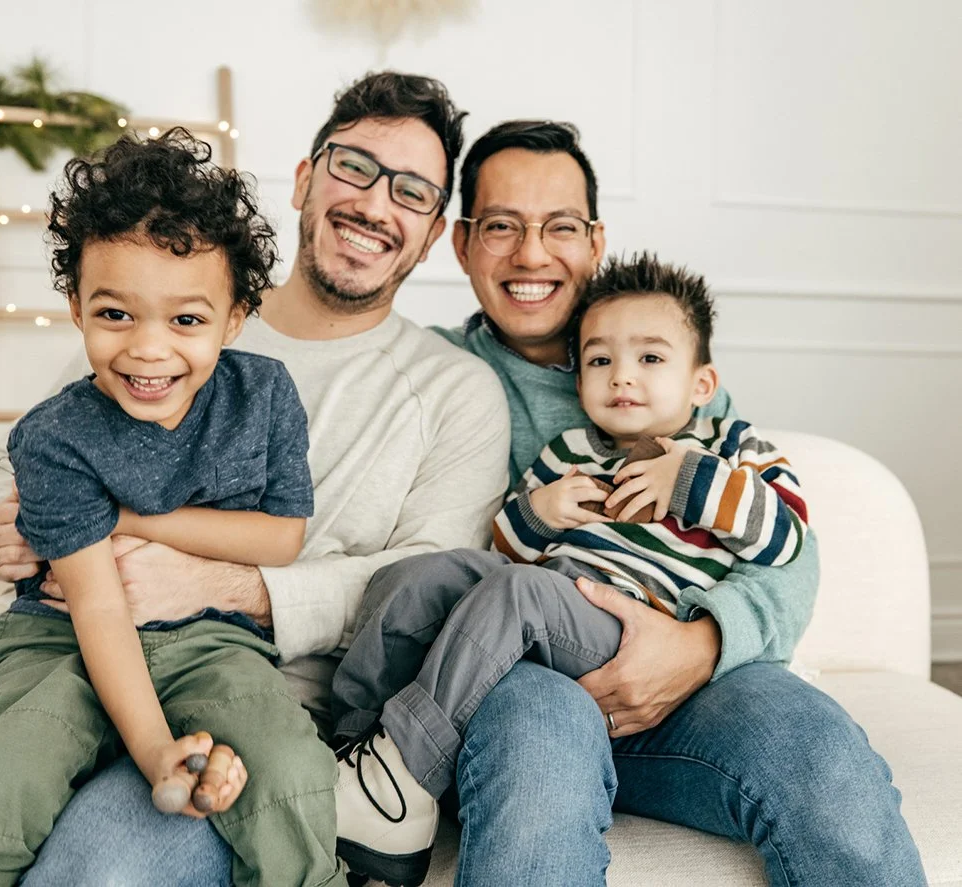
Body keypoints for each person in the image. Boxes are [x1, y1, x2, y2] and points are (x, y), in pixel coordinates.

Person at [0, 72, 509, 887]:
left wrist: (234, 585)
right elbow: (16, 462)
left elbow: (431, 587)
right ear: (306, 180)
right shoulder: (151, 297)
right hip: (52, 628)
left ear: (432, 229)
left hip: (242, 671)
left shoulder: (452, 390)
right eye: (354, 166)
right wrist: (15, 523)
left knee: (95, 872)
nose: (377, 203)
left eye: (412, 190)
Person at [382, 119, 922, 886]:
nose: (532, 254)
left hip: (690, 674)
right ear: (462, 243)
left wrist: (696, 647)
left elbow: (787, 551)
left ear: (595, 242)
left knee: (823, 756)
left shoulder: (665, 362)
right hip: (520, 682)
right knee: (540, 760)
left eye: (560, 227)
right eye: (501, 226)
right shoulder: (432, 375)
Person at [0, 128, 349, 887]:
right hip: (59, 635)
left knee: (292, 772)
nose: (148, 350)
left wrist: (130, 521)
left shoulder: (264, 397)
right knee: (0, 781)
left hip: (214, 642)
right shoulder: (55, 437)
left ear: (235, 319)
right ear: (75, 307)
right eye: (116, 314)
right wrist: (158, 750)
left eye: (187, 320)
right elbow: (99, 608)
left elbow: (284, 536)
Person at [329, 252, 811, 884]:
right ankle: (352, 749)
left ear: (702, 384)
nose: (622, 378)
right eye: (600, 361)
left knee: (521, 593)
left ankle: (404, 773)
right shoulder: (569, 451)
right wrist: (540, 512)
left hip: (628, 628)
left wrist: (691, 480)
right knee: (416, 578)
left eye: (651, 359)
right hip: (540, 618)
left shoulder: (735, 448)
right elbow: (503, 550)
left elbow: (786, 538)